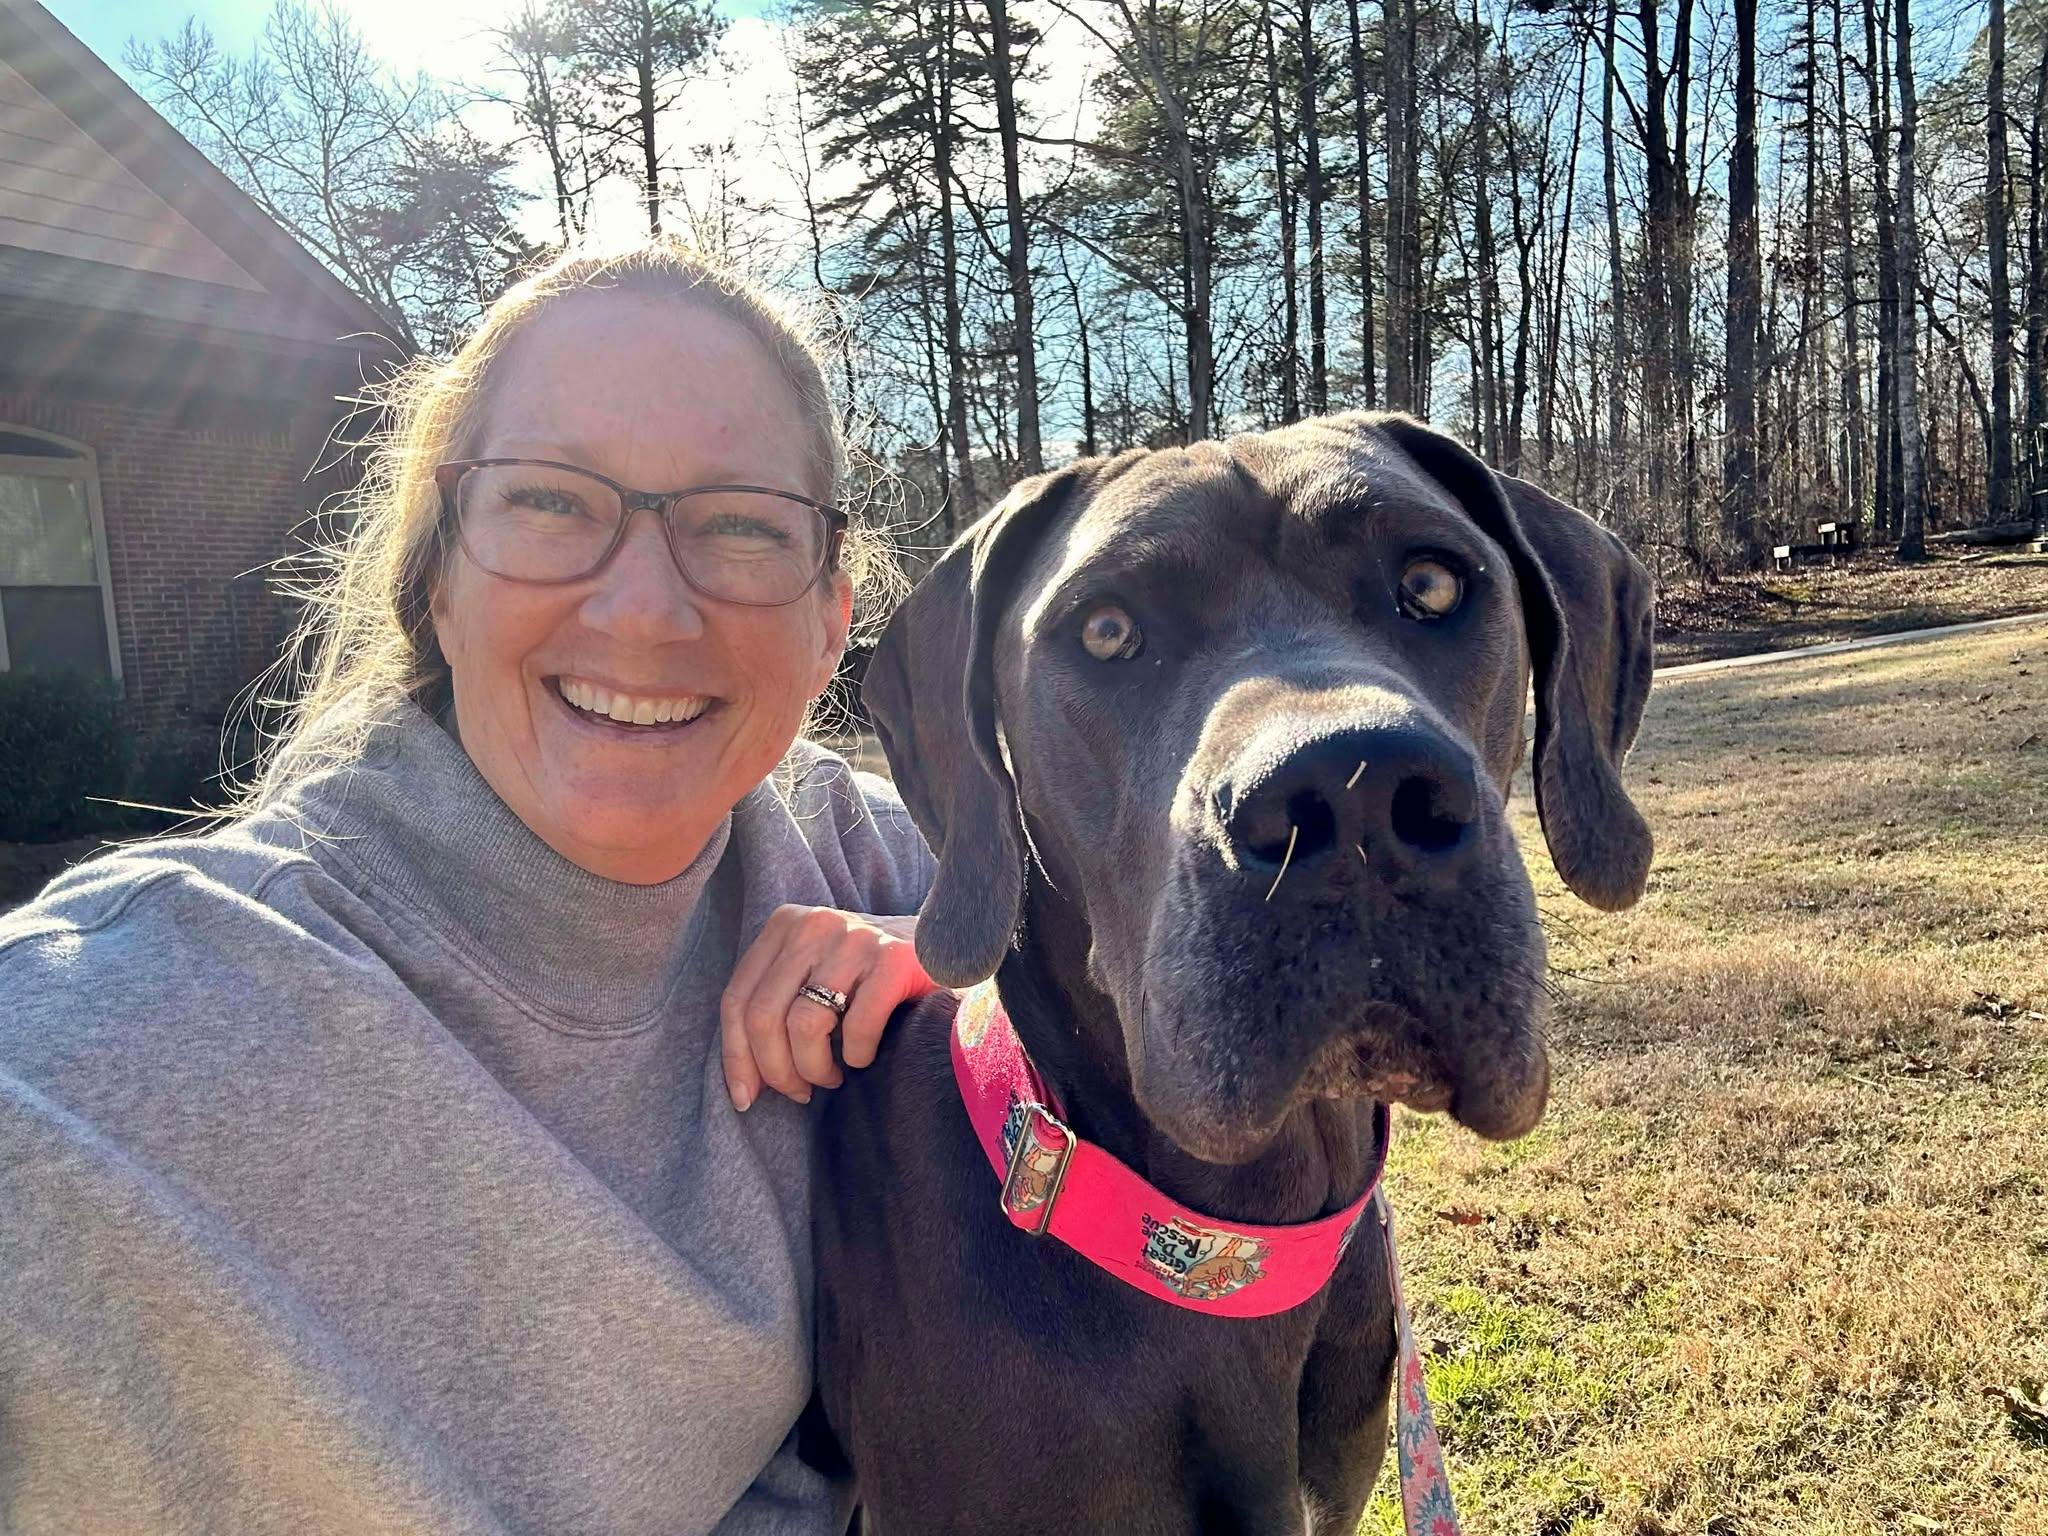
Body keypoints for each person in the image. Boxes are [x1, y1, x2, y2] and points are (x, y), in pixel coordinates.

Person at [0, 239, 941, 1534]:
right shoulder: (89, 1070)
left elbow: (1207, 943)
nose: (643, 611)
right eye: (554, 502)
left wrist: (959, 962)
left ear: (831, 619)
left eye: (735, 524)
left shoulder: (844, 846)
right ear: (437, 578)